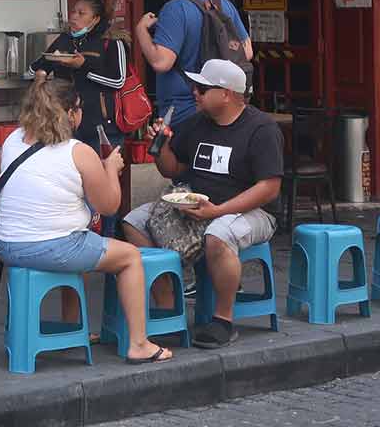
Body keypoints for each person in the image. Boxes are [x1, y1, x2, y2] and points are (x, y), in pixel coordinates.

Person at [0, 79, 173, 364]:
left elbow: (1, 188)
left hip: (7, 245)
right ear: (70, 114)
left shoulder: (11, 141)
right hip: (52, 248)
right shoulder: (78, 151)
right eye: (78, 108)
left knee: (78, 237)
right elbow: (110, 205)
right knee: (128, 257)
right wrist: (110, 169)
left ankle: (72, 325)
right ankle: (139, 344)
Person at [121, 59, 282, 350]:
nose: (194, 92)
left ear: (226, 94)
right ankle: (169, 306)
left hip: (253, 210)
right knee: (133, 221)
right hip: (197, 202)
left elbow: (269, 188)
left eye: (202, 88)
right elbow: (172, 170)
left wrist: (219, 211)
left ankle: (223, 320)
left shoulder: (262, 128)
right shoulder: (197, 123)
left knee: (219, 235)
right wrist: (160, 147)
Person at [134, 0, 252, 128]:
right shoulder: (222, 4)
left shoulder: (175, 9)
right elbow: (247, 52)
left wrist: (141, 30)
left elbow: (161, 62)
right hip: (222, 107)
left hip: (182, 112)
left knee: (177, 157)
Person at [31, 0, 128, 150]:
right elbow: (37, 66)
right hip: (65, 125)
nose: (74, 16)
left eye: (81, 13)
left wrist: (83, 66)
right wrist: (41, 72)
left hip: (101, 127)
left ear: (95, 19)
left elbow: (118, 80)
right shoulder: (64, 40)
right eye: (73, 12)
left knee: (102, 172)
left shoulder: (111, 42)